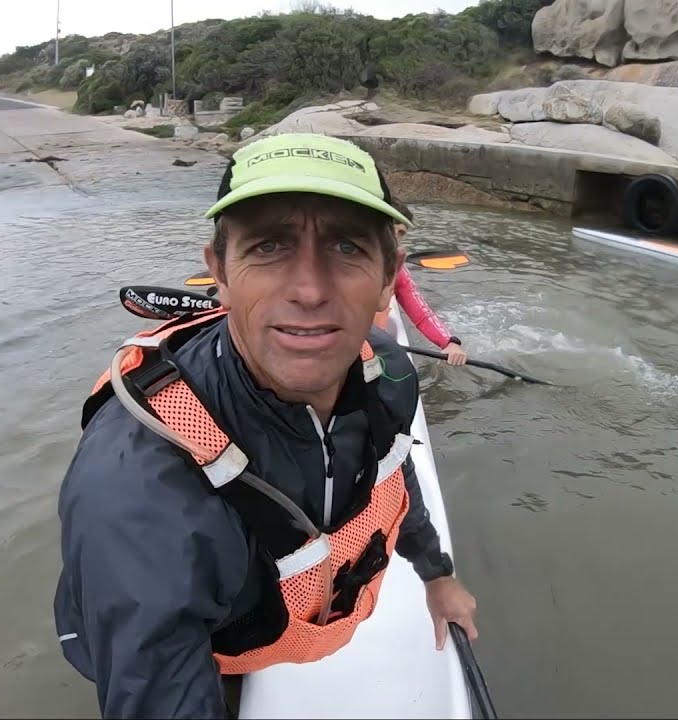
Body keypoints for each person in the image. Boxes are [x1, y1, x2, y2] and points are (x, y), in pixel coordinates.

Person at [54, 133, 480, 719]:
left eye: (347, 246)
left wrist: (438, 576)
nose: (308, 290)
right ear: (219, 274)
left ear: (389, 279)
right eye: (269, 245)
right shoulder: (137, 493)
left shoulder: (387, 377)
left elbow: (393, 475)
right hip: (211, 647)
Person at [376, 197, 468, 366]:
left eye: (401, 232)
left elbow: (423, 315)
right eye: (391, 229)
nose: (395, 238)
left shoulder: (398, 272)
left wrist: (450, 342)